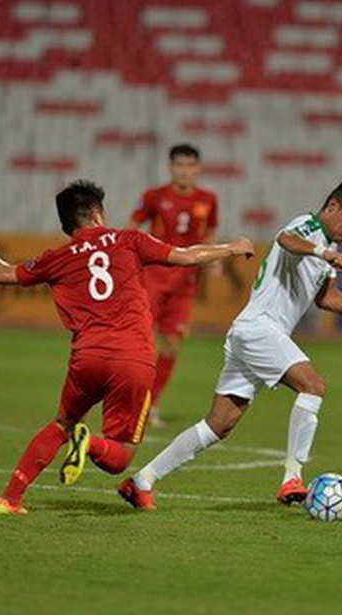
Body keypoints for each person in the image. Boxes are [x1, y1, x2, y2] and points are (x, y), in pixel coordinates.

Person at [116, 177, 342, 510]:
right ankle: (292, 479)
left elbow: (328, 299)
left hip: (254, 334)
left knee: (219, 424)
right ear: (332, 206)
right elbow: (286, 240)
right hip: (260, 330)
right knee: (313, 386)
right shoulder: (307, 226)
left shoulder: (329, 246)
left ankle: (142, 481)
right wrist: (322, 252)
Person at [0, 179, 253, 515]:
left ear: (66, 224)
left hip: (87, 357)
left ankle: (9, 499)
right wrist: (231, 248)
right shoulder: (128, 240)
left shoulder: (56, 257)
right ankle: (87, 443)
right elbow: (187, 256)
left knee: (62, 422)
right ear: (96, 213)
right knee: (121, 456)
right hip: (132, 359)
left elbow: (3, 275)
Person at [126, 143, 219, 428]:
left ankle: (149, 405)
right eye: (180, 165)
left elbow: (210, 232)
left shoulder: (208, 199)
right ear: (170, 168)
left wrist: (214, 259)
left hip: (184, 283)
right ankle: (127, 400)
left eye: (191, 166)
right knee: (139, 341)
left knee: (171, 346)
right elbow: (132, 227)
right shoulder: (154, 197)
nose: (185, 171)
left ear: (198, 169)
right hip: (153, 277)